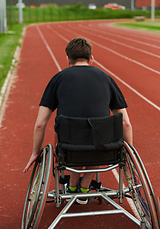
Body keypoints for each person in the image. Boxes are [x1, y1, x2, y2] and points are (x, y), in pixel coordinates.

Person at [23, 37, 132, 204]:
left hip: (69, 149)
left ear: (68, 59)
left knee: (71, 135)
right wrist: (128, 152)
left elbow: (40, 123)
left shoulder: (58, 79)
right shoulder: (106, 78)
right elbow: (125, 123)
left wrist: (35, 153)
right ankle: (85, 188)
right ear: (91, 58)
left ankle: (72, 186)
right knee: (98, 136)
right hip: (103, 150)